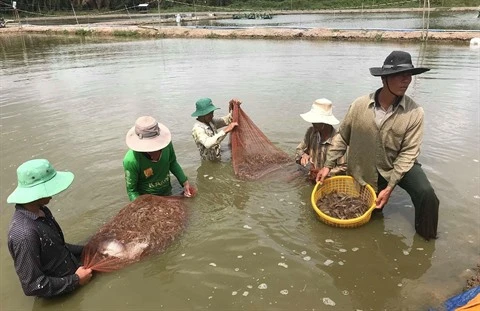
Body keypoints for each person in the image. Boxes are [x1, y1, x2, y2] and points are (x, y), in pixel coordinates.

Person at [316, 50, 439, 240]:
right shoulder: (359, 106)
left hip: (397, 163)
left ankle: (427, 241)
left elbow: (408, 153)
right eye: (400, 75)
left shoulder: (415, 112)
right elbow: (342, 136)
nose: (406, 80)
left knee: (427, 194)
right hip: (365, 165)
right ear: (384, 79)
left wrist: (390, 187)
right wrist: (327, 165)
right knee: (368, 215)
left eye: (409, 75)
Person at [6, 159, 93, 297]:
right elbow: (33, 285)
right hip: (61, 296)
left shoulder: (43, 211)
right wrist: (75, 280)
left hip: (75, 276)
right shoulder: (24, 234)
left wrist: (87, 249)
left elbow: (57, 247)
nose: (52, 195)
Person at [123, 116, 195, 201]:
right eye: (150, 150)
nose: (155, 152)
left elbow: (172, 162)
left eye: (157, 148)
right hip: (147, 199)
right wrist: (142, 206)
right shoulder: (131, 160)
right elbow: (132, 191)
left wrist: (185, 183)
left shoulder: (166, 145)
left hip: (167, 191)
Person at [295, 98, 347, 181]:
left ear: (325, 122)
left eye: (316, 121)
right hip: (310, 177)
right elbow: (298, 149)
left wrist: (325, 172)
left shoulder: (338, 140)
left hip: (329, 181)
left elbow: (344, 167)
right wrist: (303, 155)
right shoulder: (311, 132)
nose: (313, 123)